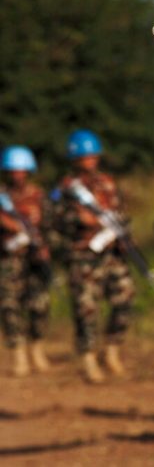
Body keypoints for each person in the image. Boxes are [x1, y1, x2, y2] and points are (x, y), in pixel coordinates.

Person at [53, 129, 136, 383]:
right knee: (86, 308)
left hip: (111, 253)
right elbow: (53, 220)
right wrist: (77, 219)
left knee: (125, 295)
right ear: (75, 159)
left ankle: (111, 350)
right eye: (84, 157)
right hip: (83, 256)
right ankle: (88, 358)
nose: (90, 161)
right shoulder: (65, 189)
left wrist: (123, 235)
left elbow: (120, 212)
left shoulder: (108, 183)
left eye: (93, 156)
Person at [0, 145, 52, 376]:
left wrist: (46, 247)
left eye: (21, 170)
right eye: (12, 170)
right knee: (10, 306)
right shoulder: (2, 197)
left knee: (39, 305)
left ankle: (36, 347)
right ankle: (18, 354)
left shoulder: (39, 196)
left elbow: (51, 226)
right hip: (8, 260)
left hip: (34, 259)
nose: (17, 175)